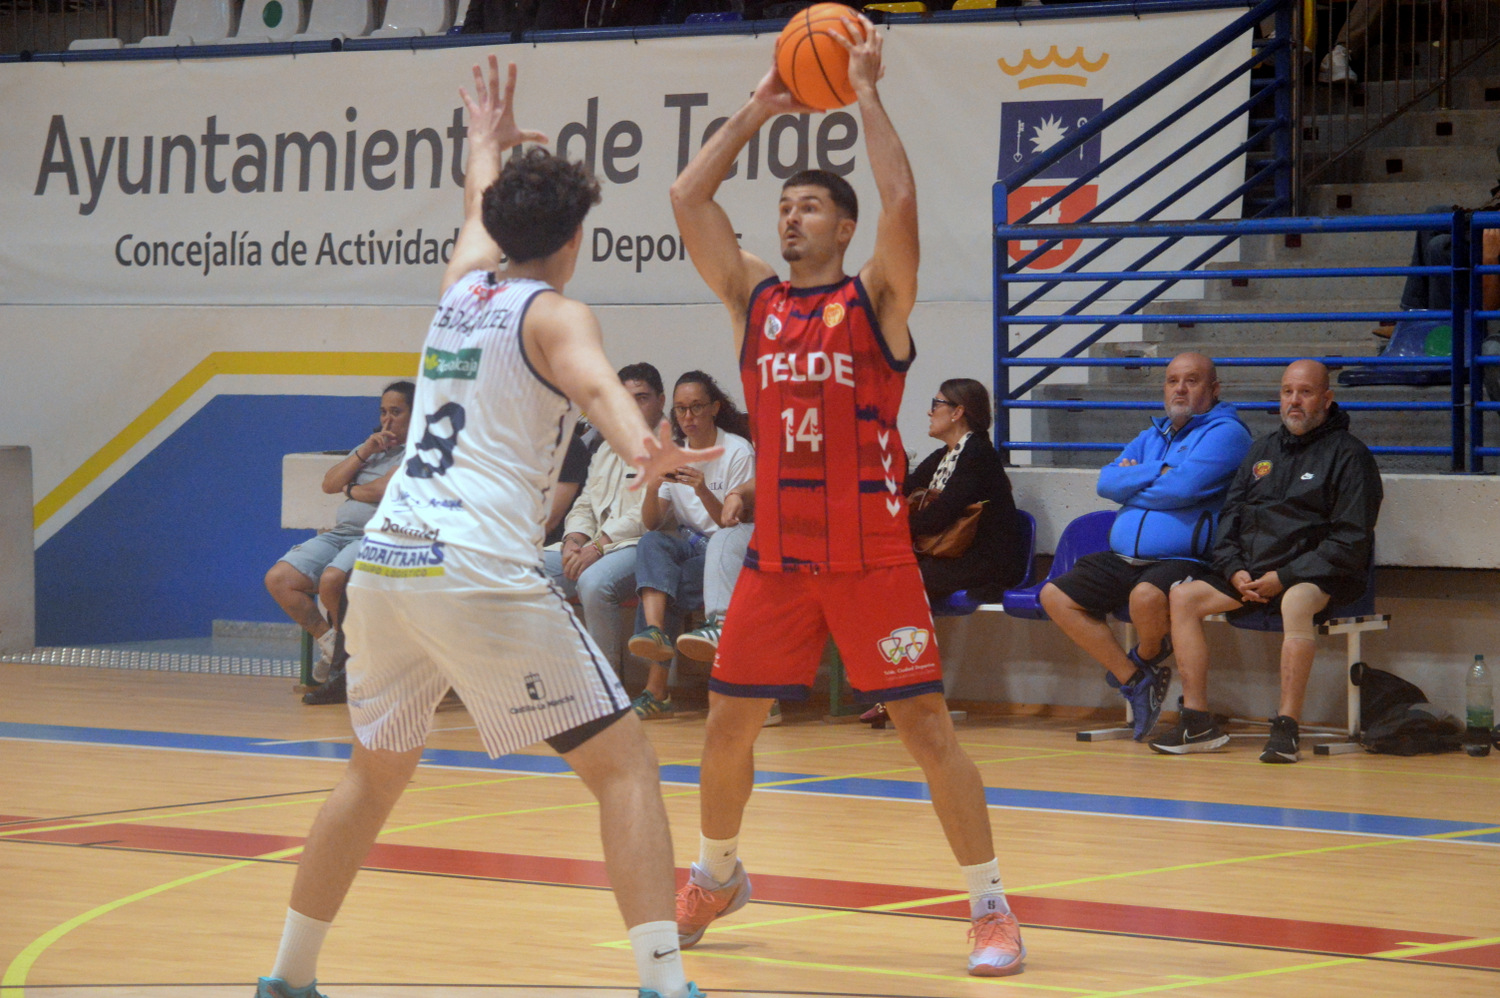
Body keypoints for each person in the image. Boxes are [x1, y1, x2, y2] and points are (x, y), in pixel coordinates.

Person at [252, 58, 716, 998]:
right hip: (473, 569)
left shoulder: (459, 290)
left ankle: (287, 978)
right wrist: (646, 446)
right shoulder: (557, 311)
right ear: (577, 237)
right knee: (625, 769)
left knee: (372, 779)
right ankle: (666, 986)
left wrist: (484, 141)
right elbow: (594, 382)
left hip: (387, 567)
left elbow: (475, 209)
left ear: (501, 229)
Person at [668, 14, 1027, 977]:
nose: (791, 218)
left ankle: (992, 907)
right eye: (784, 207)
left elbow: (903, 201)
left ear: (845, 227)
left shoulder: (877, 300)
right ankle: (716, 872)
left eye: (811, 208)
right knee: (726, 723)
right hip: (778, 564)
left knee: (926, 729)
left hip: (871, 562)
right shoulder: (755, 302)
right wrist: (759, 104)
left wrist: (865, 89)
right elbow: (687, 195)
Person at [1154, 360, 1383, 764]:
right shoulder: (1261, 450)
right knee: (1184, 597)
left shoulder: (1351, 457)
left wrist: (1287, 575)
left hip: (1316, 575)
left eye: (1305, 392)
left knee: (1296, 602)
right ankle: (1196, 720)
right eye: (1287, 392)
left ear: (1326, 399)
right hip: (1252, 574)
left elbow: (1351, 540)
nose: (1294, 401)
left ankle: (1286, 727)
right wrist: (1232, 570)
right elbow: (1230, 518)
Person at [1037, 352, 1251, 741]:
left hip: (1183, 558)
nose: (1180, 389)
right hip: (1123, 556)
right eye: (1172, 381)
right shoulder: (1151, 436)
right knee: (1054, 595)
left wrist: (1134, 483)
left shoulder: (1227, 433)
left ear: (1214, 388)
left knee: (1146, 597)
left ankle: (1150, 653)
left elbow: (1184, 488)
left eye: (1191, 380)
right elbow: (1106, 483)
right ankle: (1136, 679)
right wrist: (1158, 470)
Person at [264, 381, 414, 682]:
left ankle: (351, 658)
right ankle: (333, 645)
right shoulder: (372, 447)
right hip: (342, 533)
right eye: (383, 411)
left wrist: (352, 489)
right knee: (279, 579)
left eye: (396, 412)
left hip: (381, 536)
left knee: (333, 579)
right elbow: (329, 483)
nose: (387, 419)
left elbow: (380, 491)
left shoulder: (422, 452)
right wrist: (364, 452)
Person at [627, 371, 754, 717]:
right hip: (689, 544)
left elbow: (732, 525)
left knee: (665, 586)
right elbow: (652, 522)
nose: (688, 417)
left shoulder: (737, 451)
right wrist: (653, 485)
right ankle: (654, 631)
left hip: (725, 550)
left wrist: (700, 488)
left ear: (714, 407)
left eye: (696, 407)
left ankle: (656, 690)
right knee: (652, 543)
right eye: (681, 409)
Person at [544, 362, 667, 676]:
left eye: (642, 398)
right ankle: (546, 675)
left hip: (642, 546)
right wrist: (574, 540)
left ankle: (606, 685)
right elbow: (586, 501)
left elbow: (644, 516)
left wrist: (597, 547)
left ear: (661, 401)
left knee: (594, 582)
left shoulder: (671, 445)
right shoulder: (607, 446)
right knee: (525, 569)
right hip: (596, 544)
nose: (632, 407)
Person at [906, 378, 1027, 603]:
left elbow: (939, 516)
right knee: (880, 567)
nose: (929, 412)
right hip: (949, 552)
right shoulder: (944, 455)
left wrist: (892, 531)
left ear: (957, 412)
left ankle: (904, 638)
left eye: (936, 404)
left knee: (900, 579)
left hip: (985, 561)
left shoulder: (978, 455)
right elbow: (905, 488)